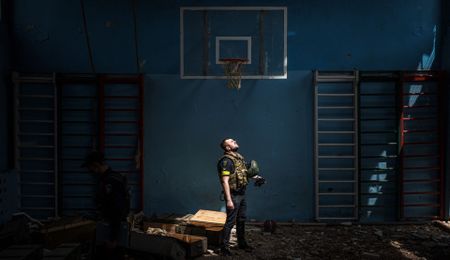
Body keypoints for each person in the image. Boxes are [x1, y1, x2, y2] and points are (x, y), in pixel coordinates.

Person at [217, 138, 265, 256]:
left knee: (241, 219)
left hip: (242, 194)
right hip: (233, 195)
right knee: (230, 222)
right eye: (231, 141)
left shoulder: (238, 158)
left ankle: (242, 243)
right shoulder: (226, 161)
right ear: (227, 148)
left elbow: (244, 174)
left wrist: (257, 178)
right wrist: (228, 200)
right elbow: (225, 181)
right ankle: (224, 248)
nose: (235, 141)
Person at [81, 150, 130, 260]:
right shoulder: (112, 178)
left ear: (96, 165)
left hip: (113, 230)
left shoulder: (111, 181)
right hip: (111, 228)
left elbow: (117, 209)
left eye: (90, 168)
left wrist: (113, 238)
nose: (90, 171)